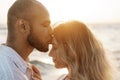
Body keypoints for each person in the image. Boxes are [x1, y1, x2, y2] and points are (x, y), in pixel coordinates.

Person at [0, 0, 52, 80]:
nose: (51, 31)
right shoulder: (11, 75)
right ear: (23, 26)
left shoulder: (12, 62)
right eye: (45, 25)